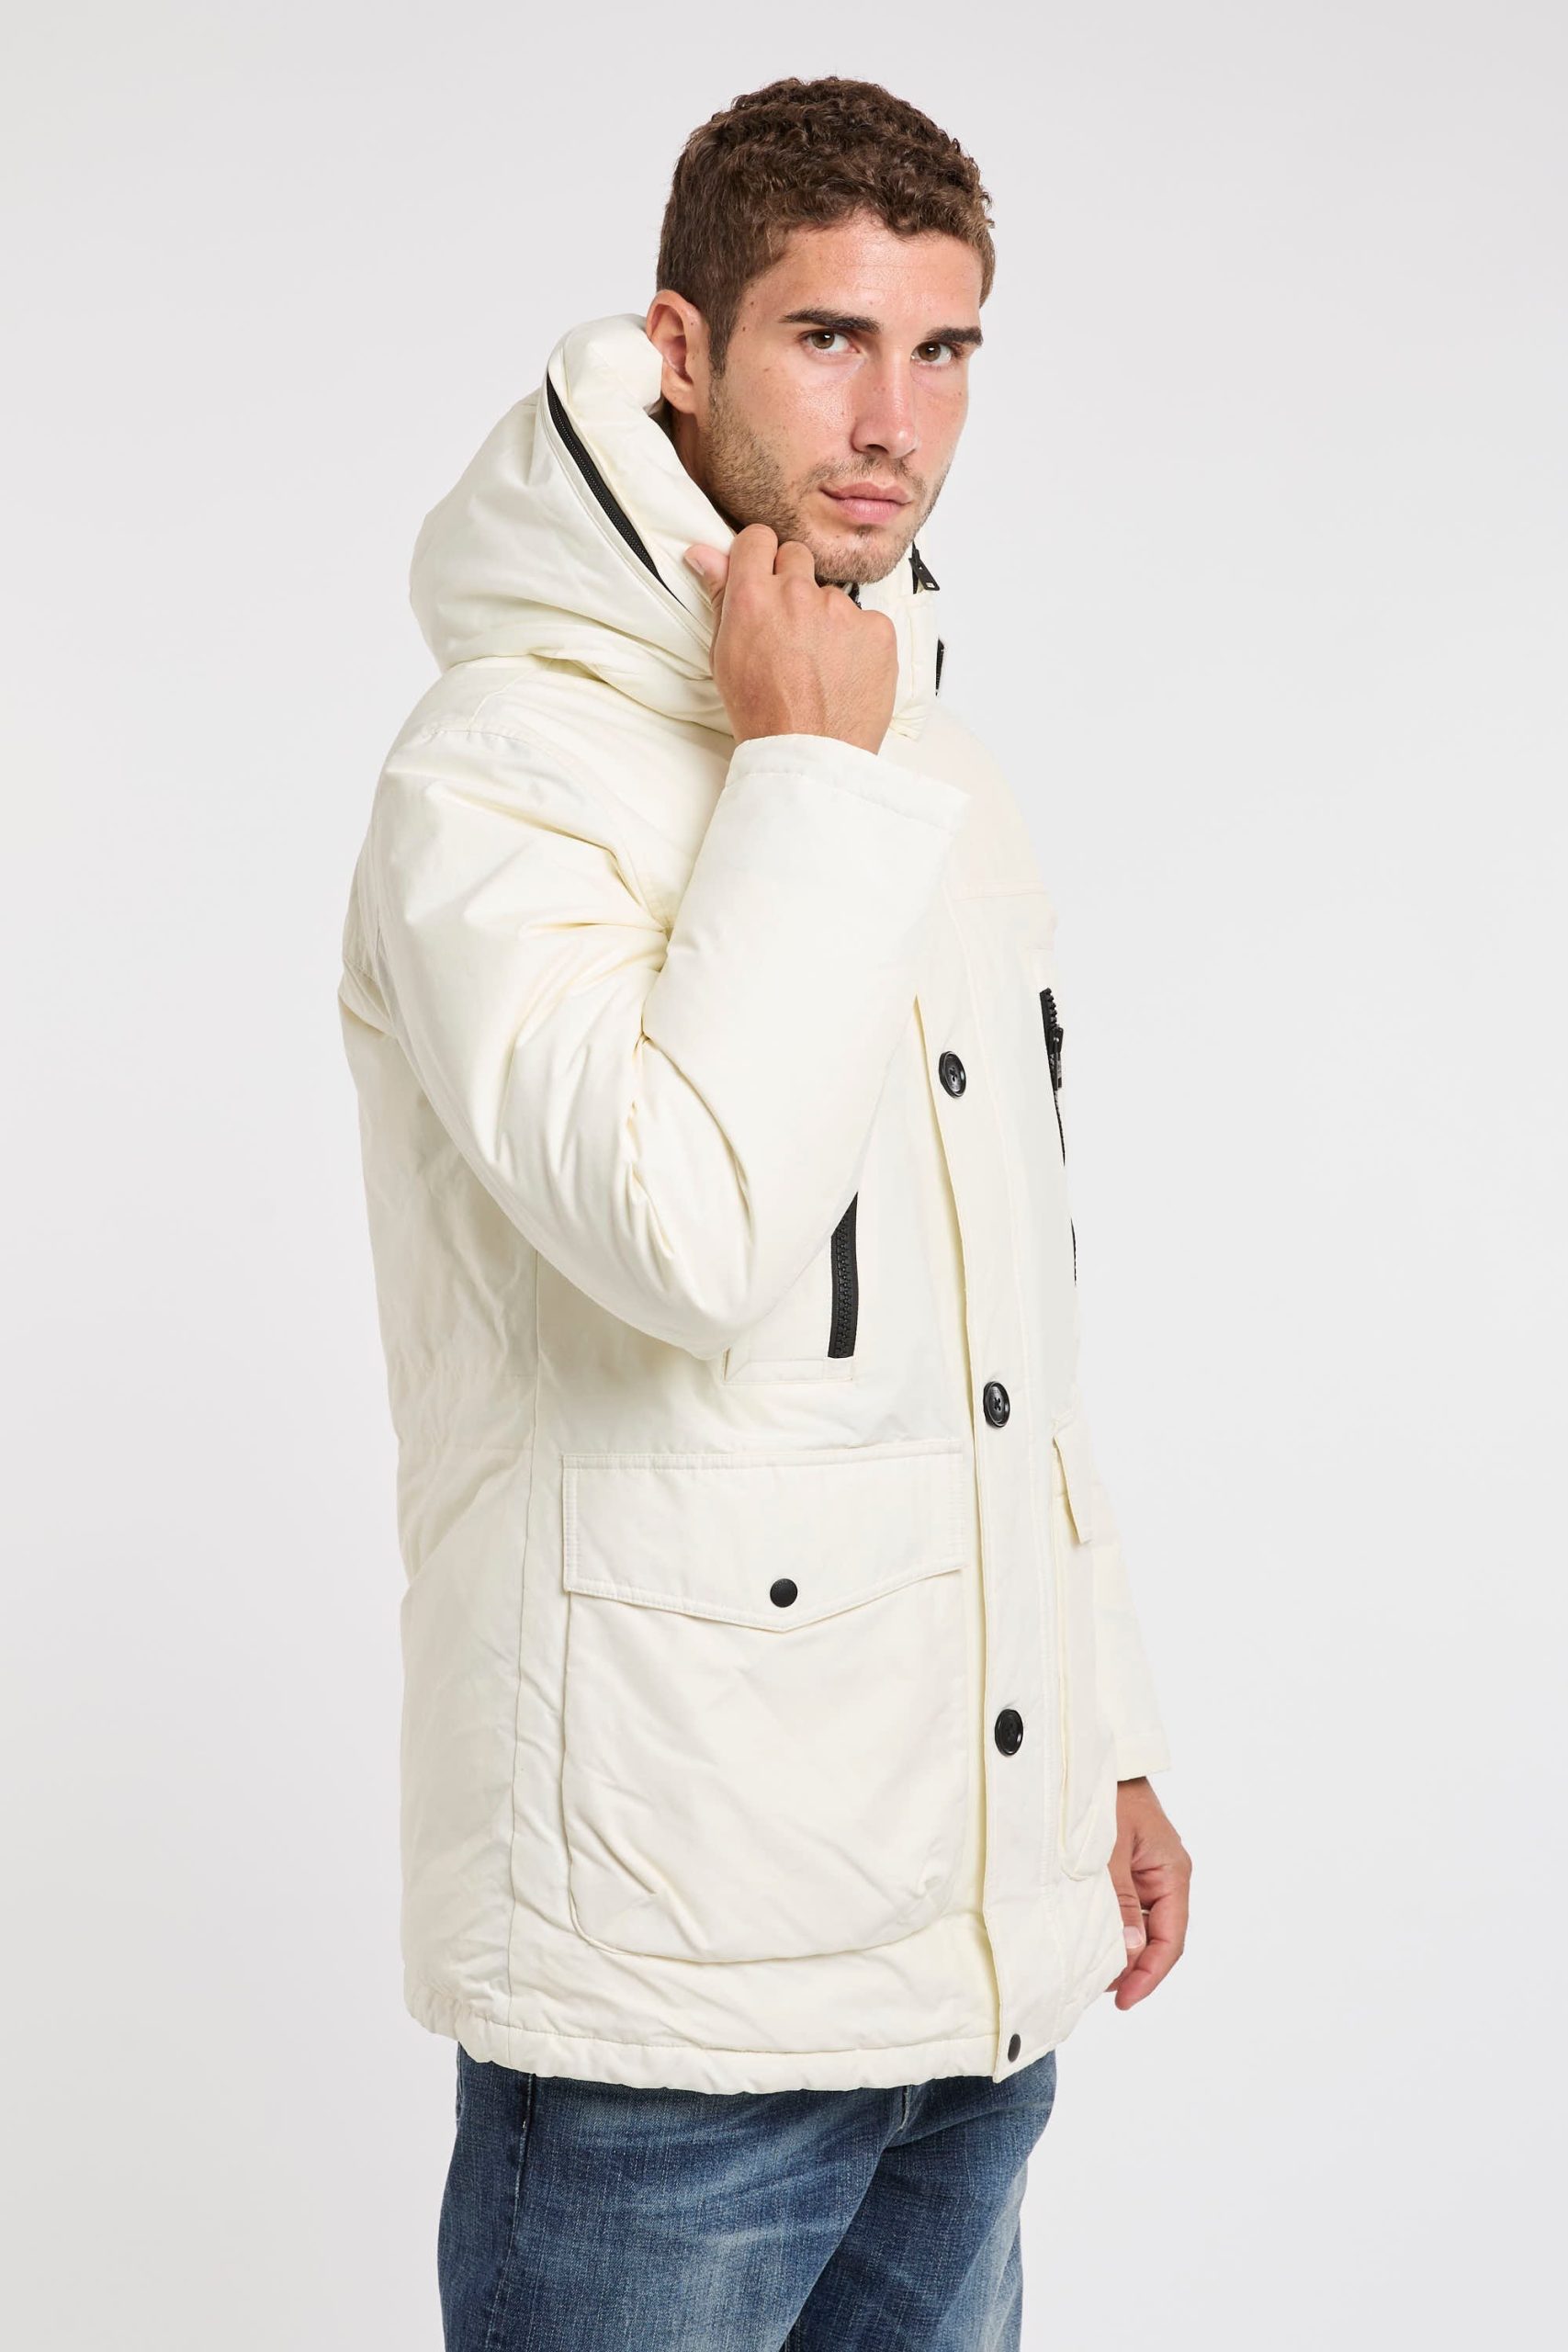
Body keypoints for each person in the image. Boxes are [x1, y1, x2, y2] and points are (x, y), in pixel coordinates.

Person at [337, 72, 1191, 2352]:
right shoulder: (496, 767)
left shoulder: (930, 756)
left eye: (943, 348)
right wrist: (799, 767)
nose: (892, 420)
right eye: (827, 337)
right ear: (681, 344)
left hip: (963, 1951)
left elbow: (1007, 1328)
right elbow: (685, 1238)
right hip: (670, 1975)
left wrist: (1097, 1732)